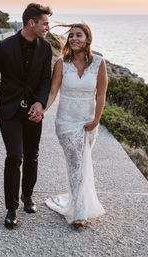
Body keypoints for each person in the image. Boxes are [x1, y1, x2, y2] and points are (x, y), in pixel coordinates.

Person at [0, 3, 52, 228]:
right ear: (31, 23)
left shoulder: (46, 48)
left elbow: (45, 79)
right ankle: (11, 209)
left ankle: (28, 196)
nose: (47, 28)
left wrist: (41, 104)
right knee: (14, 156)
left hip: (34, 112)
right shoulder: (3, 47)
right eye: (44, 23)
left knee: (32, 155)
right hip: (10, 111)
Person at [45, 23, 108, 228]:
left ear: (87, 39)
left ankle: (77, 201)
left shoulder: (99, 62)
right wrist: (42, 109)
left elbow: (101, 94)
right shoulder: (61, 64)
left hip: (88, 122)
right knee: (76, 165)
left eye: (78, 35)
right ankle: (79, 213)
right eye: (71, 36)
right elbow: (53, 92)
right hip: (66, 122)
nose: (73, 39)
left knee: (81, 164)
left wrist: (96, 119)